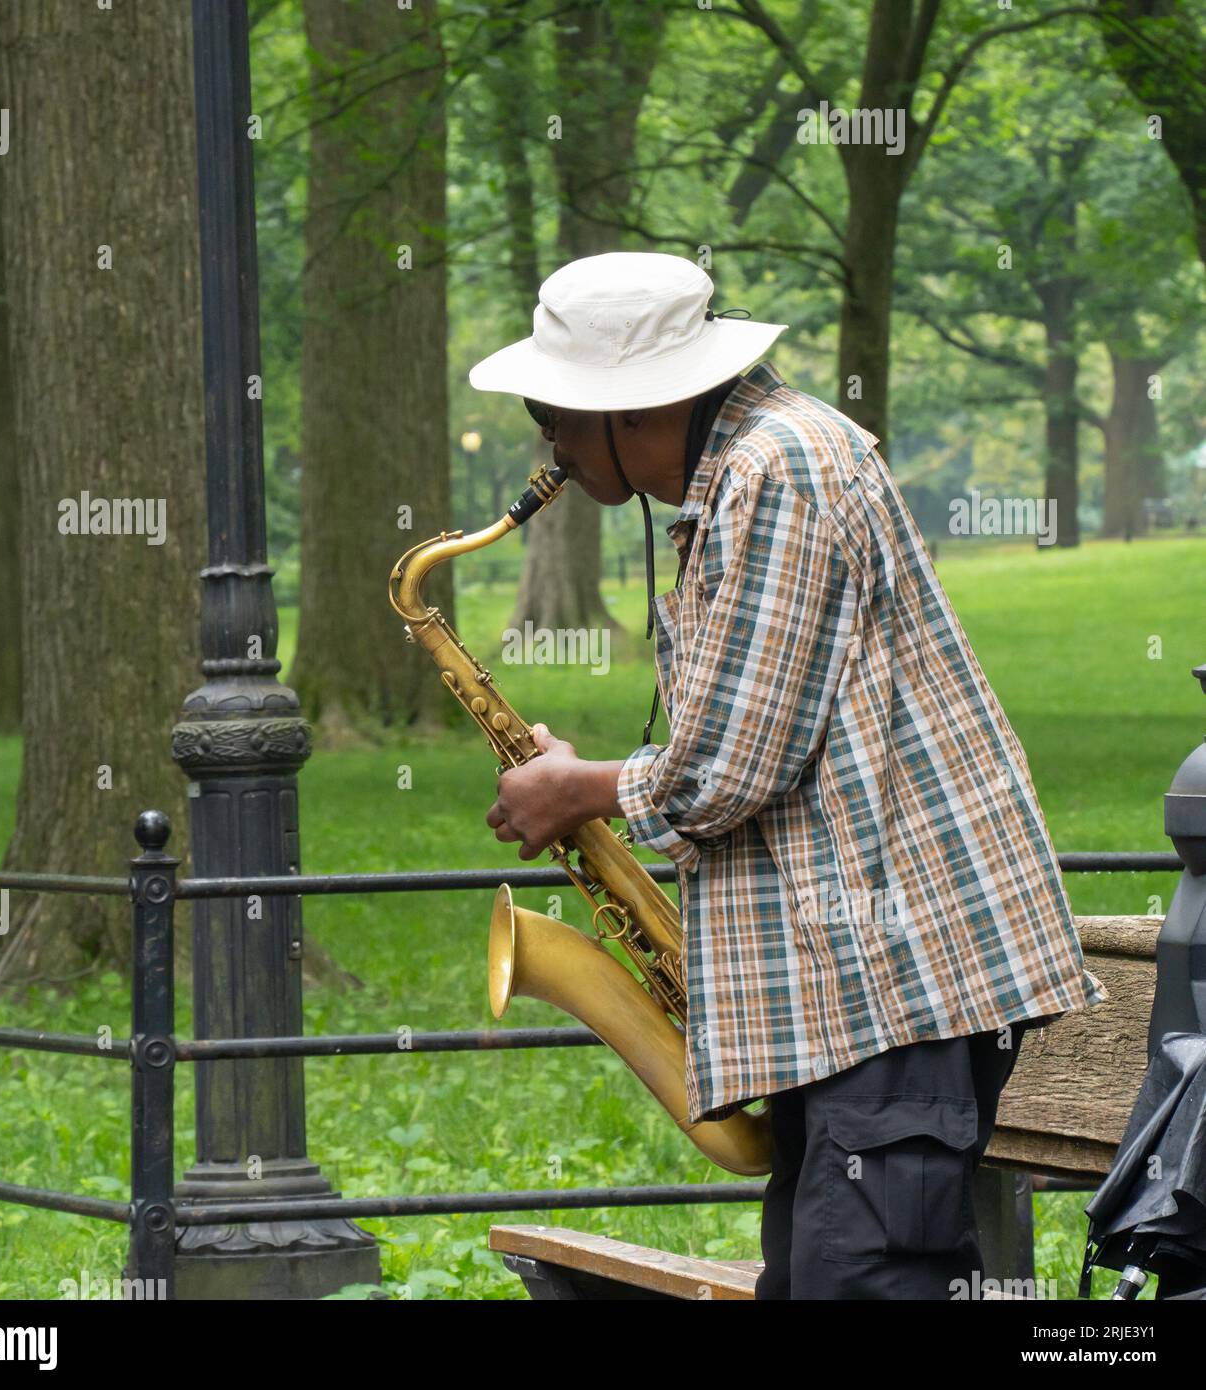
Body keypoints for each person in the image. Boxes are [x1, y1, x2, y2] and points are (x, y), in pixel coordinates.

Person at [469, 250, 1107, 1299]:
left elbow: (729, 766)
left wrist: (580, 789)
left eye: (555, 417)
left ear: (635, 407)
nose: (552, 450)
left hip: (888, 983)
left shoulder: (779, 470)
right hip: (857, 990)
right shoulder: (751, 469)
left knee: (860, 1283)